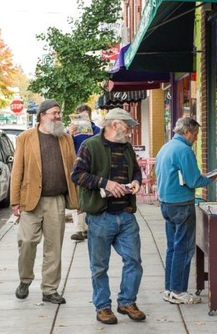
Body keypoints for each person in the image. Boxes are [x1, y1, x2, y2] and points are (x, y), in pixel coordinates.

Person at [71, 108, 146, 325]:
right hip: (101, 215)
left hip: (126, 213)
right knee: (99, 266)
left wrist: (136, 182)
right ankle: (103, 307)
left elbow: (136, 171)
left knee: (134, 260)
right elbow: (77, 175)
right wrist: (105, 183)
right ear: (114, 125)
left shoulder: (127, 147)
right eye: (127, 125)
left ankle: (127, 301)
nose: (131, 130)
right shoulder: (90, 146)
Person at [10, 99, 78, 305]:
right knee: (27, 241)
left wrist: (77, 199)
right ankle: (25, 280)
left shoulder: (65, 138)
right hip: (31, 200)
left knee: (54, 247)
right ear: (42, 115)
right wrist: (15, 201)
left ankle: (49, 290)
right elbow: (17, 170)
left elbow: (74, 168)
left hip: (56, 200)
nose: (58, 116)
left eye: (59, 113)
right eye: (54, 113)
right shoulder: (25, 138)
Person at [155, 117, 217, 305]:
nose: (196, 138)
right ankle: (179, 290)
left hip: (166, 203)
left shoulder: (166, 147)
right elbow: (193, 180)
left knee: (173, 247)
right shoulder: (184, 150)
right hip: (181, 204)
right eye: (196, 134)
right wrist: (210, 178)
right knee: (184, 248)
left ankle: (169, 289)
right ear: (187, 132)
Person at [67, 103, 101, 241]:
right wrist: (70, 133)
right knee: (78, 197)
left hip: (93, 166)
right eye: (79, 116)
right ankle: (79, 228)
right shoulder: (71, 132)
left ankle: (88, 226)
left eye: (85, 116)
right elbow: (65, 147)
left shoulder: (97, 130)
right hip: (77, 166)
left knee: (92, 195)